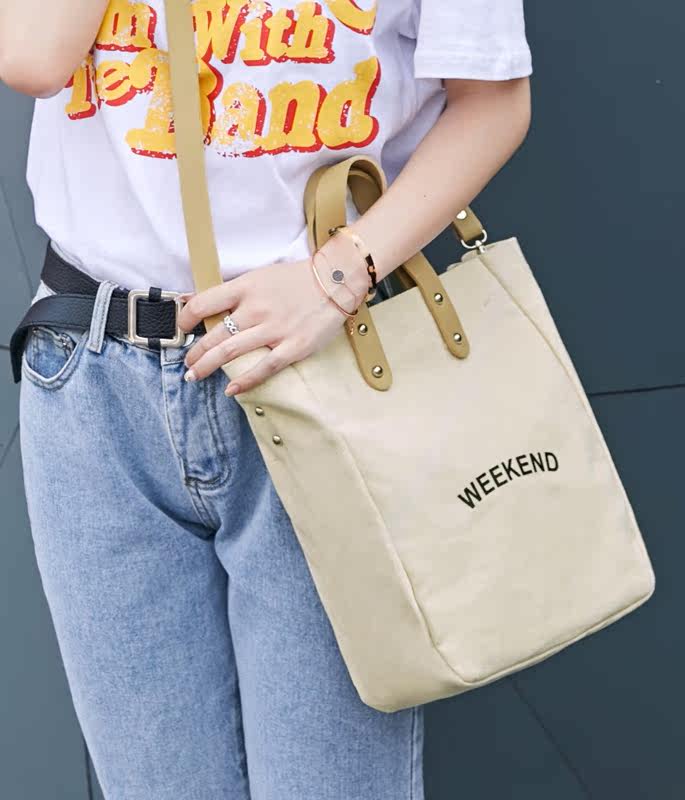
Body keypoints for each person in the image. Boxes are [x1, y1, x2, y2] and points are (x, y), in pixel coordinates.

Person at [1, 1, 532, 797]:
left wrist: (334, 279)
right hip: (97, 373)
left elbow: (493, 103)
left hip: (316, 374)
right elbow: (33, 56)